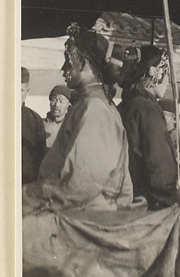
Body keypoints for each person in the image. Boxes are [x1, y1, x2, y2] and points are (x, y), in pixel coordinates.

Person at [23, 24, 133, 212]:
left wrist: (36, 197)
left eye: (68, 61)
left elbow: (85, 182)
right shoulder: (89, 103)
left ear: (83, 63)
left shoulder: (94, 108)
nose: (63, 69)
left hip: (88, 212)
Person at [118, 46, 178, 209]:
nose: (168, 82)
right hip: (144, 199)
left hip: (124, 191)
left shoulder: (125, 104)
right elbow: (159, 165)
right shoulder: (147, 109)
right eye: (167, 74)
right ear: (156, 74)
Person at [21, 67, 46, 184]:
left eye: (21, 90)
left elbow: (40, 156)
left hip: (27, 183)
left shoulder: (35, 119)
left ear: (27, 92)